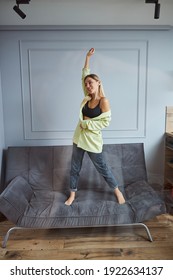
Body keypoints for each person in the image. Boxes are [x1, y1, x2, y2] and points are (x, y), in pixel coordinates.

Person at [65, 48, 125, 206]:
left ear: (99, 83)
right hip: (79, 138)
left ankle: (117, 192)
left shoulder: (103, 101)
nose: (88, 85)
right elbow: (84, 75)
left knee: (103, 168)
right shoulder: (86, 97)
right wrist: (87, 58)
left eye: (91, 83)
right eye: (86, 84)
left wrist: (85, 123)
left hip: (92, 140)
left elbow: (106, 122)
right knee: (74, 167)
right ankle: (72, 195)